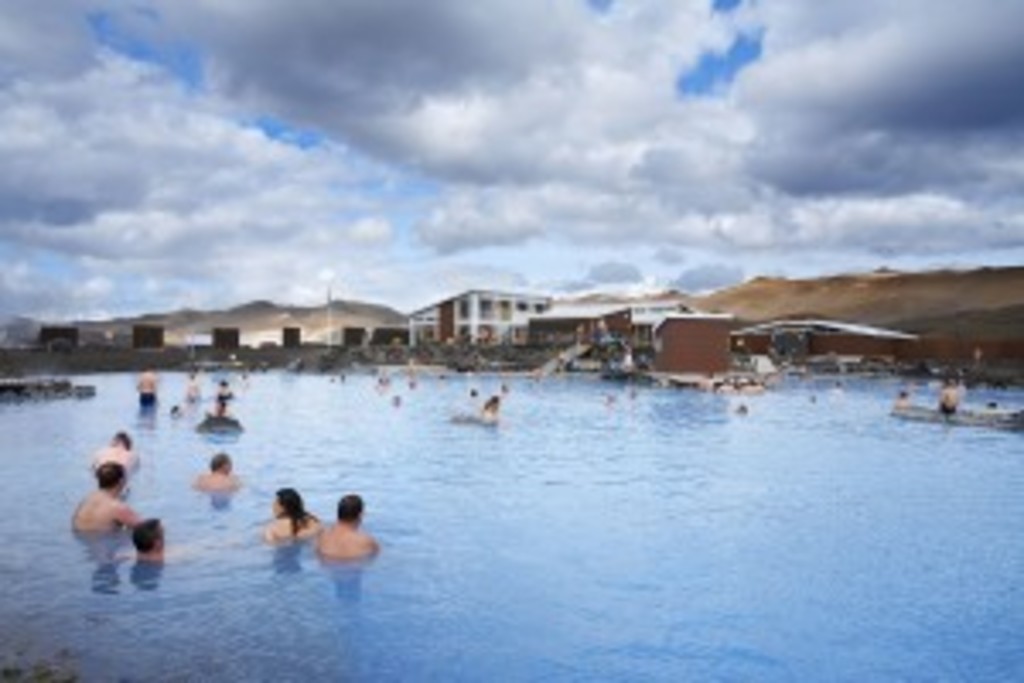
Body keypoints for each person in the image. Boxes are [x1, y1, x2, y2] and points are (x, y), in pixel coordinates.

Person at [72, 462, 142, 532]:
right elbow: (144, 528)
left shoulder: (87, 499)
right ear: (121, 481)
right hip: (105, 540)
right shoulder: (118, 508)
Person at [317, 494, 380, 561]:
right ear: (360, 515)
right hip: (355, 568)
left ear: (338, 513)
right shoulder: (367, 542)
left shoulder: (322, 537)